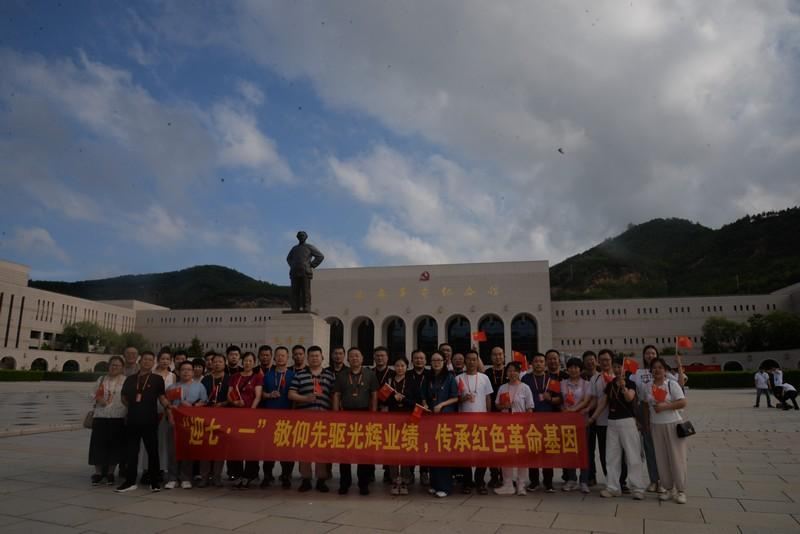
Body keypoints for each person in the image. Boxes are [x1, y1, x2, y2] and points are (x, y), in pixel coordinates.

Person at [589, 356, 645, 500]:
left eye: (620, 367)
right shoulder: (610, 384)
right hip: (612, 423)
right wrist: (593, 418)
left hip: (627, 422)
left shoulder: (631, 383)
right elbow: (603, 403)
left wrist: (624, 387)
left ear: (624, 368)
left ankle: (637, 488)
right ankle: (613, 487)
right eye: (615, 367)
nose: (617, 369)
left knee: (632, 455)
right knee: (611, 456)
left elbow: (629, 398)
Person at [116, 351, 170, 493]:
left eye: (150, 360)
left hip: (150, 420)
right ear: (140, 361)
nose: (147, 362)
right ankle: (130, 481)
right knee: (132, 451)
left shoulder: (157, 379)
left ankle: (154, 481)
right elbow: (123, 397)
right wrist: (134, 407)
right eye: (145, 359)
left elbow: (162, 397)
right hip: (133, 420)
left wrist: (169, 406)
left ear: (153, 363)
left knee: (152, 451)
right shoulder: (130, 379)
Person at [287, 345, 335, 492]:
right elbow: (291, 394)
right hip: (304, 420)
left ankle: (321, 479)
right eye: (312, 356)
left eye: (317, 356)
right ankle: (306, 479)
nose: (314, 358)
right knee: (304, 450)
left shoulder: (330, 375)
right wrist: (305, 398)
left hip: (323, 419)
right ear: (307, 358)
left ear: (322, 358)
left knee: (322, 450)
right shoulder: (299, 375)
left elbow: (334, 396)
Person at [332, 347, 378, 495]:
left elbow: (374, 395)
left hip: (364, 415)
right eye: (351, 356)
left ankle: (363, 483)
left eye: (357, 356)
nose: (354, 358)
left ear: (362, 358)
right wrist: (335, 415)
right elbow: (337, 395)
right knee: (344, 451)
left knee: (363, 451)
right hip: (346, 415)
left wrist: (373, 415)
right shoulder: (341, 375)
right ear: (348, 359)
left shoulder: (370, 374)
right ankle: (344, 483)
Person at [647, 357, 688, 504]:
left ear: (665, 370)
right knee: (661, 458)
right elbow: (646, 405)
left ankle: (681, 490)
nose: (657, 370)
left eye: (660, 367)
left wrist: (665, 406)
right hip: (656, 425)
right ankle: (668, 488)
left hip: (672, 424)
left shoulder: (671, 384)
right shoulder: (649, 386)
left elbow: (683, 402)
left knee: (677, 458)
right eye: (654, 368)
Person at [164, 361, 208, 489]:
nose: (186, 372)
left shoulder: (199, 386)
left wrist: (193, 406)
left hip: (191, 423)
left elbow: (204, 402)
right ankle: (172, 478)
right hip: (174, 421)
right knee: (173, 450)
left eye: (189, 369)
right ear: (178, 372)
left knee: (187, 450)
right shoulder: (172, 387)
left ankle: (185, 477)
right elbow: (168, 405)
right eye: (183, 369)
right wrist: (170, 416)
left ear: (193, 372)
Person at [493, 361, 534, 495]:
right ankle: (508, 484)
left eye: (515, 370)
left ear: (519, 372)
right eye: (509, 370)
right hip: (505, 426)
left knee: (522, 456)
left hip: (521, 426)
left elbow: (530, 408)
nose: (512, 373)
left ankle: (521, 485)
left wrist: (528, 425)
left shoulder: (525, 388)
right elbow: (497, 405)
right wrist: (503, 406)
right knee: (506, 456)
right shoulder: (503, 388)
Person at [422, 351, 459, 497]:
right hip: (431, 419)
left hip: (445, 419)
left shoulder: (450, 377)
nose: (436, 363)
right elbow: (423, 395)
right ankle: (434, 484)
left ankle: (444, 487)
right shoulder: (428, 377)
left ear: (444, 362)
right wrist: (425, 404)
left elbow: (455, 397)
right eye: (434, 360)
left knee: (443, 452)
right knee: (432, 451)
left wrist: (442, 404)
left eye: (439, 360)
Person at [457, 350, 494, 495]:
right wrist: (463, 398)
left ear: (478, 361)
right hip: (463, 422)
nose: (472, 362)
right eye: (469, 359)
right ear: (465, 361)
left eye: (474, 359)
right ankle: (467, 482)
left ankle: (480, 481)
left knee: (482, 453)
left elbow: (488, 398)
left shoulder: (484, 378)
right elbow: (455, 399)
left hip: (481, 421)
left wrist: (489, 416)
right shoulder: (458, 378)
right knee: (465, 453)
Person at [382, 355, 419, 495]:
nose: (400, 368)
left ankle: (405, 480)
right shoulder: (389, 381)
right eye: (397, 365)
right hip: (392, 421)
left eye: (402, 365)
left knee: (405, 450)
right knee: (392, 450)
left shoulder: (412, 382)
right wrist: (393, 398)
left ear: (407, 367)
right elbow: (382, 400)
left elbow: (416, 402)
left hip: (408, 421)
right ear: (394, 367)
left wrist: (403, 399)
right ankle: (394, 479)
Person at [521, 352, 557, 492]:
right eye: (536, 361)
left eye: (541, 361)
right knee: (532, 450)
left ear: (545, 363)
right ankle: (534, 481)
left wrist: (550, 399)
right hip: (531, 419)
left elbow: (559, 399)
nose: (539, 364)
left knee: (548, 451)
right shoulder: (526, 378)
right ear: (531, 364)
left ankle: (548, 482)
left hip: (548, 420)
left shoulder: (552, 379)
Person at [89, 355, 127, 486]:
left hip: (118, 416)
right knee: (98, 445)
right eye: (112, 365)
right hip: (101, 416)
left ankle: (111, 473)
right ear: (108, 366)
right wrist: (98, 399)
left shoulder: (125, 380)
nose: (114, 367)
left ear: (122, 367)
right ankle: (98, 473)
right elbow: (92, 394)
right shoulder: (101, 379)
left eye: (118, 365)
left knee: (114, 446)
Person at [227, 352, 263, 489]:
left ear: (254, 362)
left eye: (250, 361)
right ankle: (237, 474)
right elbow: (229, 394)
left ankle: (249, 475)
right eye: (245, 360)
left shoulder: (257, 377)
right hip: (236, 415)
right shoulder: (235, 377)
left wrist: (251, 412)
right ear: (242, 362)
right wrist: (235, 403)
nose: (247, 363)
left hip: (251, 416)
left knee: (250, 446)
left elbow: (258, 396)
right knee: (236, 445)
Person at [261, 346, 295, 488]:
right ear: (274, 358)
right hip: (270, 416)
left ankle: (286, 475)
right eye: (278, 355)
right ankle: (267, 475)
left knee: (286, 448)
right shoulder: (267, 375)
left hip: (288, 417)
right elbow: (261, 394)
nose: (280, 358)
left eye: (283, 355)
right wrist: (269, 395)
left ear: (288, 358)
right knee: (269, 448)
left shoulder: (293, 375)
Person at [630, 345, 661, 492]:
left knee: (662, 449)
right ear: (643, 356)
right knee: (649, 448)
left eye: (653, 353)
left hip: (661, 412)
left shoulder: (664, 371)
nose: (650, 355)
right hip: (644, 411)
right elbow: (634, 395)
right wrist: (636, 416)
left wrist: (680, 367)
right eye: (647, 353)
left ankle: (665, 481)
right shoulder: (637, 373)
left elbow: (681, 383)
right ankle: (654, 480)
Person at [561, 357, 593, 493]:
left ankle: (584, 480)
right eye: (571, 367)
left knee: (583, 451)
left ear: (580, 369)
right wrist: (564, 410)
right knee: (569, 450)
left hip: (582, 421)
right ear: (567, 369)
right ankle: (571, 479)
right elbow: (560, 400)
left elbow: (586, 401)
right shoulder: (562, 383)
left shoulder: (586, 384)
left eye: (576, 367)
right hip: (567, 422)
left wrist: (573, 410)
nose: (573, 370)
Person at [198, 353, 229, 487]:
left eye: (220, 361)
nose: (217, 364)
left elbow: (232, 397)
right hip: (207, 416)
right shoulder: (205, 379)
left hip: (223, 416)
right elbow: (201, 397)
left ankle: (217, 477)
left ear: (224, 364)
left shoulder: (229, 379)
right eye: (214, 361)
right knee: (205, 447)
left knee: (219, 448)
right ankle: (204, 477)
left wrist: (223, 404)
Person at [485, 346, 507, 489]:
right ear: (491, 357)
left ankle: (506, 476)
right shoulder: (487, 373)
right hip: (491, 414)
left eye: (500, 354)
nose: (498, 357)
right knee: (492, 448)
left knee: (505, 448)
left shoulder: (510, 371)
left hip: (507, 416)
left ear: (504, 356)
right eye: (495, 354)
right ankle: (494, 476)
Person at [286, 230, 324, 312]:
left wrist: (312, 265)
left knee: (305, 291)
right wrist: (293, 265)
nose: (301, 237)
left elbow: (320, 256)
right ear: (297, 237)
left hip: (305, 271)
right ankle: (294, 307)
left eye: (303, 235)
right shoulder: (294, 248)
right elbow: (288, 258)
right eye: (300, 236)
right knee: (294, 291)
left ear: (306, 237)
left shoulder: (309, 247)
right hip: (294, 272)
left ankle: (306, 307)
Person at [409, 349, 431, 486]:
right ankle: (410, 472)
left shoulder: (430, 374)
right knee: (411, 443)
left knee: (425, 444)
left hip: (427, 414)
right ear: (412, 360)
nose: (419, 360)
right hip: (411, 413)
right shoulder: (407, 375)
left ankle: (424, 472)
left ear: (426, 360)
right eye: (416, 358)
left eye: (421, 358)